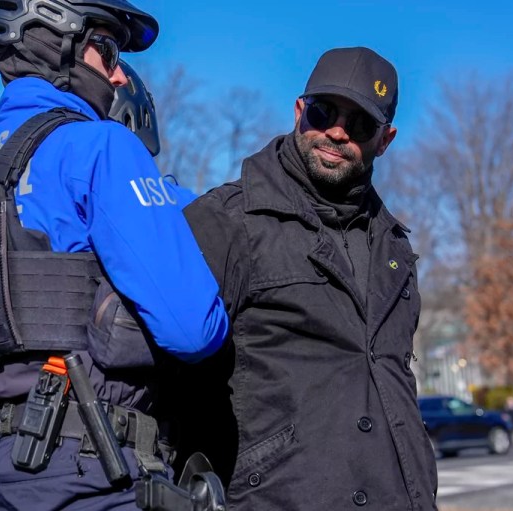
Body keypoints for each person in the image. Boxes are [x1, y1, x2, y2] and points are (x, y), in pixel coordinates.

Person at [0, 1, 228, 509]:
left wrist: (27, 309)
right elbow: (193, 329)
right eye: (108, 49)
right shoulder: (100, 147)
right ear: (58, 43)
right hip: (84, 468)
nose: (120, 72)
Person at [180, 47, 439, 510]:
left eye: (360, 123)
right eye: (324, 111)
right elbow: (161, 374)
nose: (337, 131)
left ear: (385, 140)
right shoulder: (226, 222)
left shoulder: (396, 250)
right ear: (300, 111)